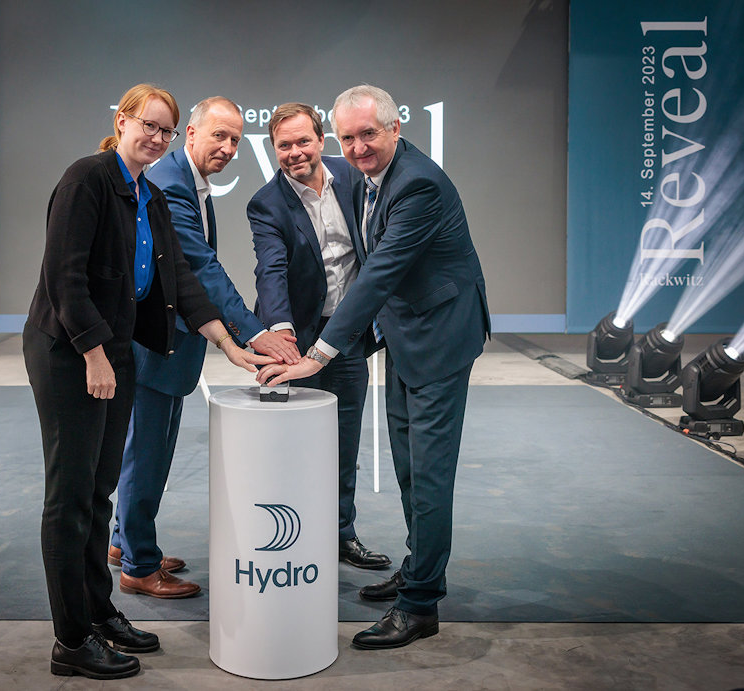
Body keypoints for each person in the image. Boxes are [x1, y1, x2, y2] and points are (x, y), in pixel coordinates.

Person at [24, 83, 271, 680]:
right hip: (69, 352)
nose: (157, 138)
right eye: (149, 125)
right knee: (70, 497)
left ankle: (100, 612)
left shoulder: (149, 195)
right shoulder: (86, 179)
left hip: (116, 350)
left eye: (166, 130)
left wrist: (231, 346)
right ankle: (71, 640)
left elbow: (181, 282)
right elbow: (64, 276)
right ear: (123, 120)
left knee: (99, 492)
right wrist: (93, 354)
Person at [258, 85, 491, 650]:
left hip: (439, 340)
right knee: (409, 467)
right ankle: (418, 570)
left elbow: (380, 272)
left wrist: (318, 354)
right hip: (405, 337)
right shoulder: (364, 177)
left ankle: (420, 604)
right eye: (349, 137)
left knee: (428, 474)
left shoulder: (417, 184)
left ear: (395, 129)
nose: (358, 147)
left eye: (369, 134)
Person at [109, 96, 299, 598]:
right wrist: (254, 332)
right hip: (157, 345)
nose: (229, 147)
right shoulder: (173, 183)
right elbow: (201, 268)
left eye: (235, 139)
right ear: (190, 134)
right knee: (146, 455)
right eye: (219, 135)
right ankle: (139, 565)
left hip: (171, 343)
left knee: (146, 450)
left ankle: (124, 541)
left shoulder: (187, 180)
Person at [247, 102, 391, 570]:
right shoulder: (266, 204)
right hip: (295, 344)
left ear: (321, 140)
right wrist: (282, 334)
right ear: (273, 149)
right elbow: (270, 271)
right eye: (284, 145)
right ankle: (292, 539)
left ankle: (341, 536)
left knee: (344, 443)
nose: (295, 152)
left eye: (303, 141)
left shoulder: (352, 177)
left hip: (346, 337)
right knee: (291, 448)